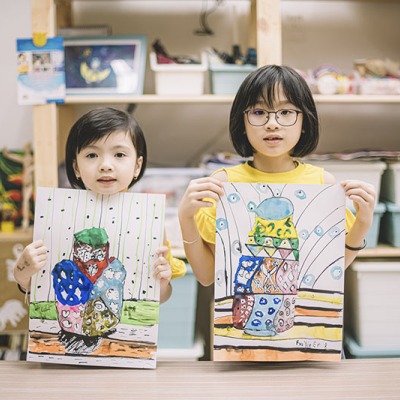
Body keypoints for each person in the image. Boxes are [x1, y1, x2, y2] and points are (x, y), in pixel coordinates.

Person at [178, 64, 376, 287]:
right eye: (259, 112)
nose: (272, 124)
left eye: (286, 112)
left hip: (306, 320)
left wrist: (363, 223)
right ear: (242, 122)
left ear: (304, 122)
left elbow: (328, 272)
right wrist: (186, 218)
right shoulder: (223, 184)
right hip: (241, 319)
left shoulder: (322, 184)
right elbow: (207, 277)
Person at [14, 107, 186, 303]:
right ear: (76, 167)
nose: (106, 165)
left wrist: (162, 283)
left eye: (119, 155)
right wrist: (22, 273)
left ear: (137, 166)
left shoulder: (149, 221)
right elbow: (39, 286)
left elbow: (160, 297)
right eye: (92, 155)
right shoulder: (57, 217)